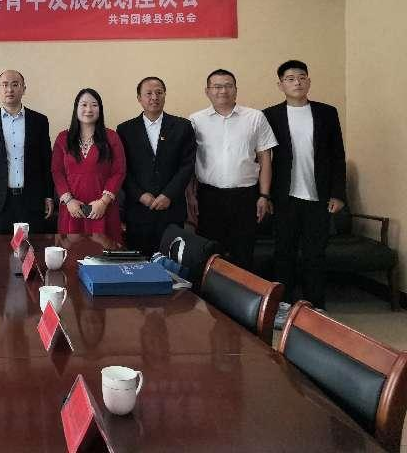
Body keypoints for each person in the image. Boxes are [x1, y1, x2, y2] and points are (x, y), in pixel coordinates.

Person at [263, 60, 346, 313]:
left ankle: (315, 306)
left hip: (318, 197)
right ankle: (283, 306)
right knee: (284, 253)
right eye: (290, 79)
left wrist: (338, 194)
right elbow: (263, 158)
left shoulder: (326, 113)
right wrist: (265, 195)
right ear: (280, 85)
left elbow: (337, 155)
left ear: (309, 81)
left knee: (315, 254)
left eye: (301, 77)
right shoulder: (270, 115)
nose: (297, 82)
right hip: (284, 196)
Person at [189, 69, 277, 270]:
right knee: (210, 256)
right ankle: (210, 292)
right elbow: (189, 160)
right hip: (208, 197)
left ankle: (243, 290)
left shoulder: (255, 117)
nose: (223, 91)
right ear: (207, 91)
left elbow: (265, 158)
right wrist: (191, 196)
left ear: (236, 89)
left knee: (244, 253)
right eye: (217, 86)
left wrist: (264, 195)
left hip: (245, 197)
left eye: (228, 86)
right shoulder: (195, 120)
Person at [117, 77, 196, 255]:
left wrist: (168, 195)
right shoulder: (125, 129)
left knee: (172, 263)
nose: (154, 97)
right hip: (138, 210)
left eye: (159, 92)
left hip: (172, 209)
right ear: (139, 98)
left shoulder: (182, 126)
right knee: (139, 262)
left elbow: (187, 165)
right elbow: (122, 169)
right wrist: (140, 195)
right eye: (149, 93)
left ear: (165, 95)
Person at [0, 69, 53, 234]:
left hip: (32, 200)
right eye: (5, 85)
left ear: (23, 89)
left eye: (15, 85)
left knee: (31, 247)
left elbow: (47, 161)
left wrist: (49, 195)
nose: (9, 89)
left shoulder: (39, 121)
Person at [51, 88, 126, 242]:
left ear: (100, 109)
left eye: (94, 105)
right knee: (72, 255)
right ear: (76, 108)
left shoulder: (111, 137)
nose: (89, 109)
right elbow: (57, 171)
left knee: (104, 254)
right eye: (84, 105)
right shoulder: (63, 138)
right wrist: (69, 201)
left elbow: (119, 171)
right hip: (72, 210)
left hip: (103, 209)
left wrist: (103, 202)